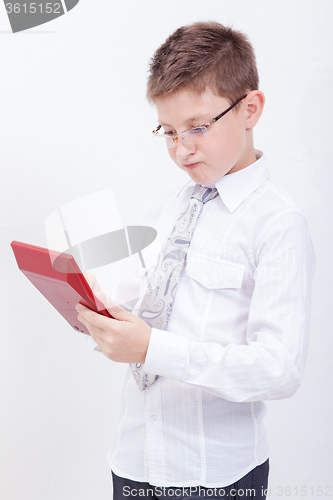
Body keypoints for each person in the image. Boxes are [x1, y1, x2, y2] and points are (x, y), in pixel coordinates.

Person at [75, 21, 316, 499]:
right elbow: (157, 304)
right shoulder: (176, 206)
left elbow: (278, 368)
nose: (181, 150)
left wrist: (151, 348)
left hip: (214, 475)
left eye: (198, 127)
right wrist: (102, 309)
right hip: (135, 459)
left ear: (250, 108)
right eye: (168, 131)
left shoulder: (278, 223)